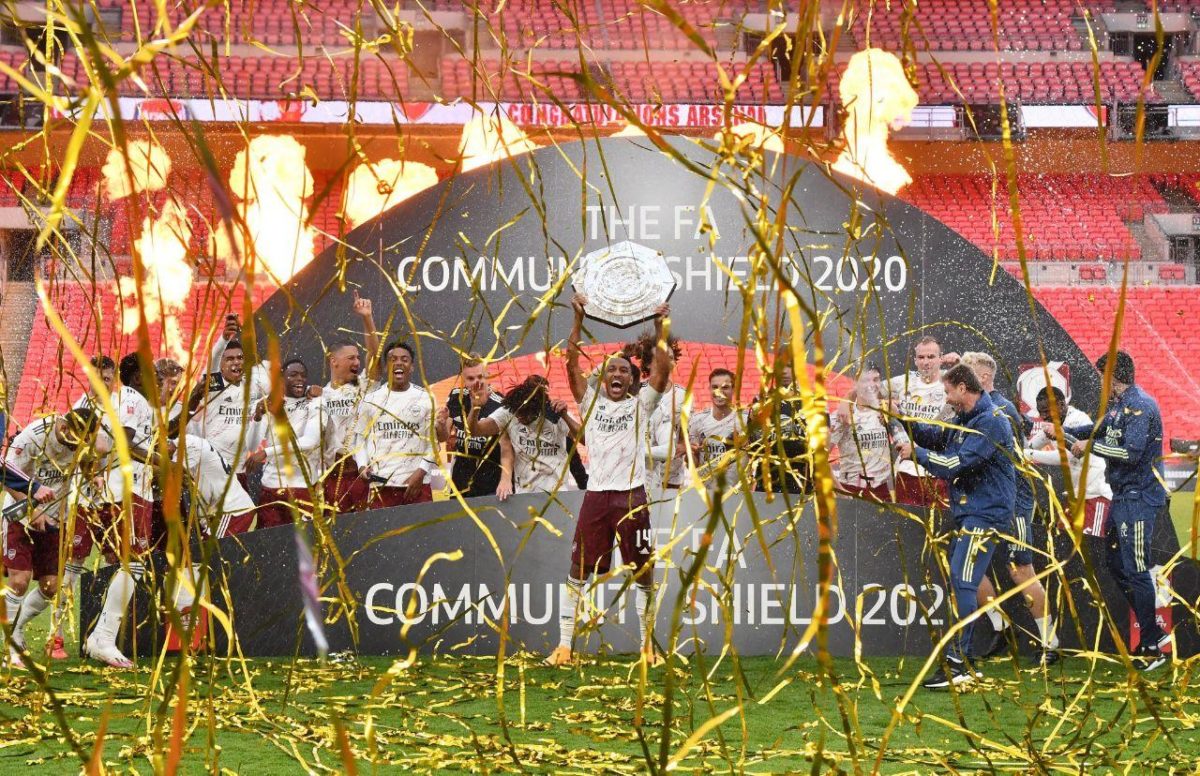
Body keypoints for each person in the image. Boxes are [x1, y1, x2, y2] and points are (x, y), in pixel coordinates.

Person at [545, 294, 670, 668]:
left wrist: (662, 326)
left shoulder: (641, 405)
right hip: (597, 497)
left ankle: (648, 647)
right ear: (604, 379)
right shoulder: (590, 403)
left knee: (644, 572)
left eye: (625, 372)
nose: (617, 375)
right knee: (578, 570)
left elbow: (662, 372)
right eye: (612, 370)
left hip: (633, 497)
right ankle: (565, 647)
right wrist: (577, 321)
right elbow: (570, 368)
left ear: (633, 382)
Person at [895, 364, 1016, 689]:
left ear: (963, 388)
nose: (947, 399)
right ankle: (959, 660)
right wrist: (901, 420)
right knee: (963, 582)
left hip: (986, 514)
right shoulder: (966, 421)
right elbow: (936, 436)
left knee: (963, 583)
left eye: (948, 392)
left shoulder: (991, 423)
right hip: (974, 512)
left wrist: (915, 454)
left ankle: (958, 663)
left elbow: (954, 464)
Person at [1064, 351, 1169, 671]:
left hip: (1139, 497)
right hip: (1123, 497)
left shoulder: (1139, 406)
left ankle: (1151, 646)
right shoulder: (1118, 406)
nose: (1100, 382)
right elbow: (1096, 431)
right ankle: (1154, 630)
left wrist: (1089, 446)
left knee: (1136, 569)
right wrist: (1062, 429)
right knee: (1114, 563)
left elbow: (1131, 453)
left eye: (1102, 376)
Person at [959, 352, 1057, 666]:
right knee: (969, 563)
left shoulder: (1000, 408)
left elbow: (1016, 457)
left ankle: (1050, 642)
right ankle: (1002, 629)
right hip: (986, 499)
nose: (962, 381)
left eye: (968, 374)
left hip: (1013, 498)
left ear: (984, 377)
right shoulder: (976, 409)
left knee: (1020, 569)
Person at [80, 353, 165, 668]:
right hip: (127, 491)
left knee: (118, 563)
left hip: (102, 494)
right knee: (135, 564)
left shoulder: (85, 405)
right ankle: (102, 637)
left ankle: (96, 637)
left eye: (107, 377)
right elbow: (124, 442)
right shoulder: (129, 398)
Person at [2, 409, 104, 668]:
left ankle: (17, 629)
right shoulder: (33, 437)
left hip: (56, 518)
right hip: (21, 515)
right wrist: (31, 509)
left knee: (50, 587)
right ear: (64, 427)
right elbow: (6, 474)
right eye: (74, 440)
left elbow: (85, 460)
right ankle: (11, 649)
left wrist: (95, 475)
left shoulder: (79, 438)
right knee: (19, 582)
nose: (76, 446)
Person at [467, 375, 581, 496]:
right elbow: (474, 431)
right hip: (524, 494)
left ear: (537, 409)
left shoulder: (555, 413)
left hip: (557, 493)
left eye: (524, 415)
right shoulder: (509, 411)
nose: (519, 418)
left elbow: (584, 439)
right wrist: (475, 408)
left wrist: (565, 417)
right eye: (518, 414)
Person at [355, 341, 436, 508]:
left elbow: (433, 443)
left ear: (412, 367)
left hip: (417, 486)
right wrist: (362, 465)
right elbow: (360, 439)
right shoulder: (371, 399)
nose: (399, 363)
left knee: (424, 534)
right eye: (393, 359)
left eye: (404, 359)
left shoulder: (426, 398)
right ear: (386, 367)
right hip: (381, 486)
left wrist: (420, 473)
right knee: (384, 535)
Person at [321, 293, 382, 514]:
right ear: (334, 361)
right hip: (331, 479)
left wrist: (367, 318)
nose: (357, 362)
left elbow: (375, 358)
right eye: (351, 358)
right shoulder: (320, 396)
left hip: (360, 476)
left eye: (358, 357)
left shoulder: (364, 386)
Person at [247, 358, 323, 529]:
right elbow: (251, 446)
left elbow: (309, 442)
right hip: (271, 486)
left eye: (303, 376)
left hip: (302, 486)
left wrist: (267, 452)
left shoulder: (316, 402)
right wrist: (258, 418)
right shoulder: (267, 402)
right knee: (270, 546)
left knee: (305, 547)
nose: (299, 380)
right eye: (293, 375)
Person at [1027, 387, 1112, 537]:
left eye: (1047, 411)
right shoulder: (1053, 423)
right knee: (1064, 548)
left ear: (1061, 404)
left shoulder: (1079, 421)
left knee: (1092, 551)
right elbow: (1028, 447)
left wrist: (1029, 454)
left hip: (1094, 497)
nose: (1044, 416)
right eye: (1041, 412)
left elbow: (1065, 456)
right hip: (1073, 499)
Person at [886, 336, 957, 507]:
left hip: (939, 471)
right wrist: (846, 402)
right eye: (921, 357)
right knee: (907, 528)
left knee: (941, 530)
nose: (926, 362)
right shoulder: (903, 382)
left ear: (941, 358)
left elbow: (979, 391)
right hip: (908, 471)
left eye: (931, 357)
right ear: (915, 360)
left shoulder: (953, 381)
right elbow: (867, 390)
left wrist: (960, 365)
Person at [186, 339, 265, 490]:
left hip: (239, 472)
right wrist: (223, 339)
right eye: (229, 359)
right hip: (213, 472)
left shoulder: (251, 388)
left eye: (240, 358)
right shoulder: (216, 384)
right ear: (221, 364)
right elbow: (211, 366)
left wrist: (258, 417)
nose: (236, 362)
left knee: (245, 513)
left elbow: (278, 387)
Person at [437, 355, 511, 498]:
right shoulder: (456, 396)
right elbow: (443, 437)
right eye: (471, 379)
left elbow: (507, 448)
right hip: (460, 485)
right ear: (463, 379)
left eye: (480, 377)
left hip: (490, 487)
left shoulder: (501, 403)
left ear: (487, 374)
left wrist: (505, 479)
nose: (477, 382)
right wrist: (440, 424)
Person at [829, 362, 892, 500]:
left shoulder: (888, 411)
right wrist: (839, 489)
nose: (871, 385)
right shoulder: (844, 415)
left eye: (875, 379)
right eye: (865, 380)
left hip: (882, 491)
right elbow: (818, 457)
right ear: (855, 382)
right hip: (852, 489)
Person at [636, 332, 687, 493]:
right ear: (648, 364)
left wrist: (683, 446)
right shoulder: (636, 393)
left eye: (670, 358)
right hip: (643, 471)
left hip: (672, 472)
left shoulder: (683, 395)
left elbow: (685, 432)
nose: (666, 362)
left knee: (667, 515)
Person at [750, 361, 811, 495]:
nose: (784, 371)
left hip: (802, 482)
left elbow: (822, 445)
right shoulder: (761, 400)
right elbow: (752, 443)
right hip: (767, 482)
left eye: (789, 366)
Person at [688, 368, 745, 479]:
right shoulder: (697, 420)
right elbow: (694, 465)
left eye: (725, 387)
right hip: (706, 491)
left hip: (736, 492)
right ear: (709, 389)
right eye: (715, 387)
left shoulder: (745, 421)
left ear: (734, 389)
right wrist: (691, 453)